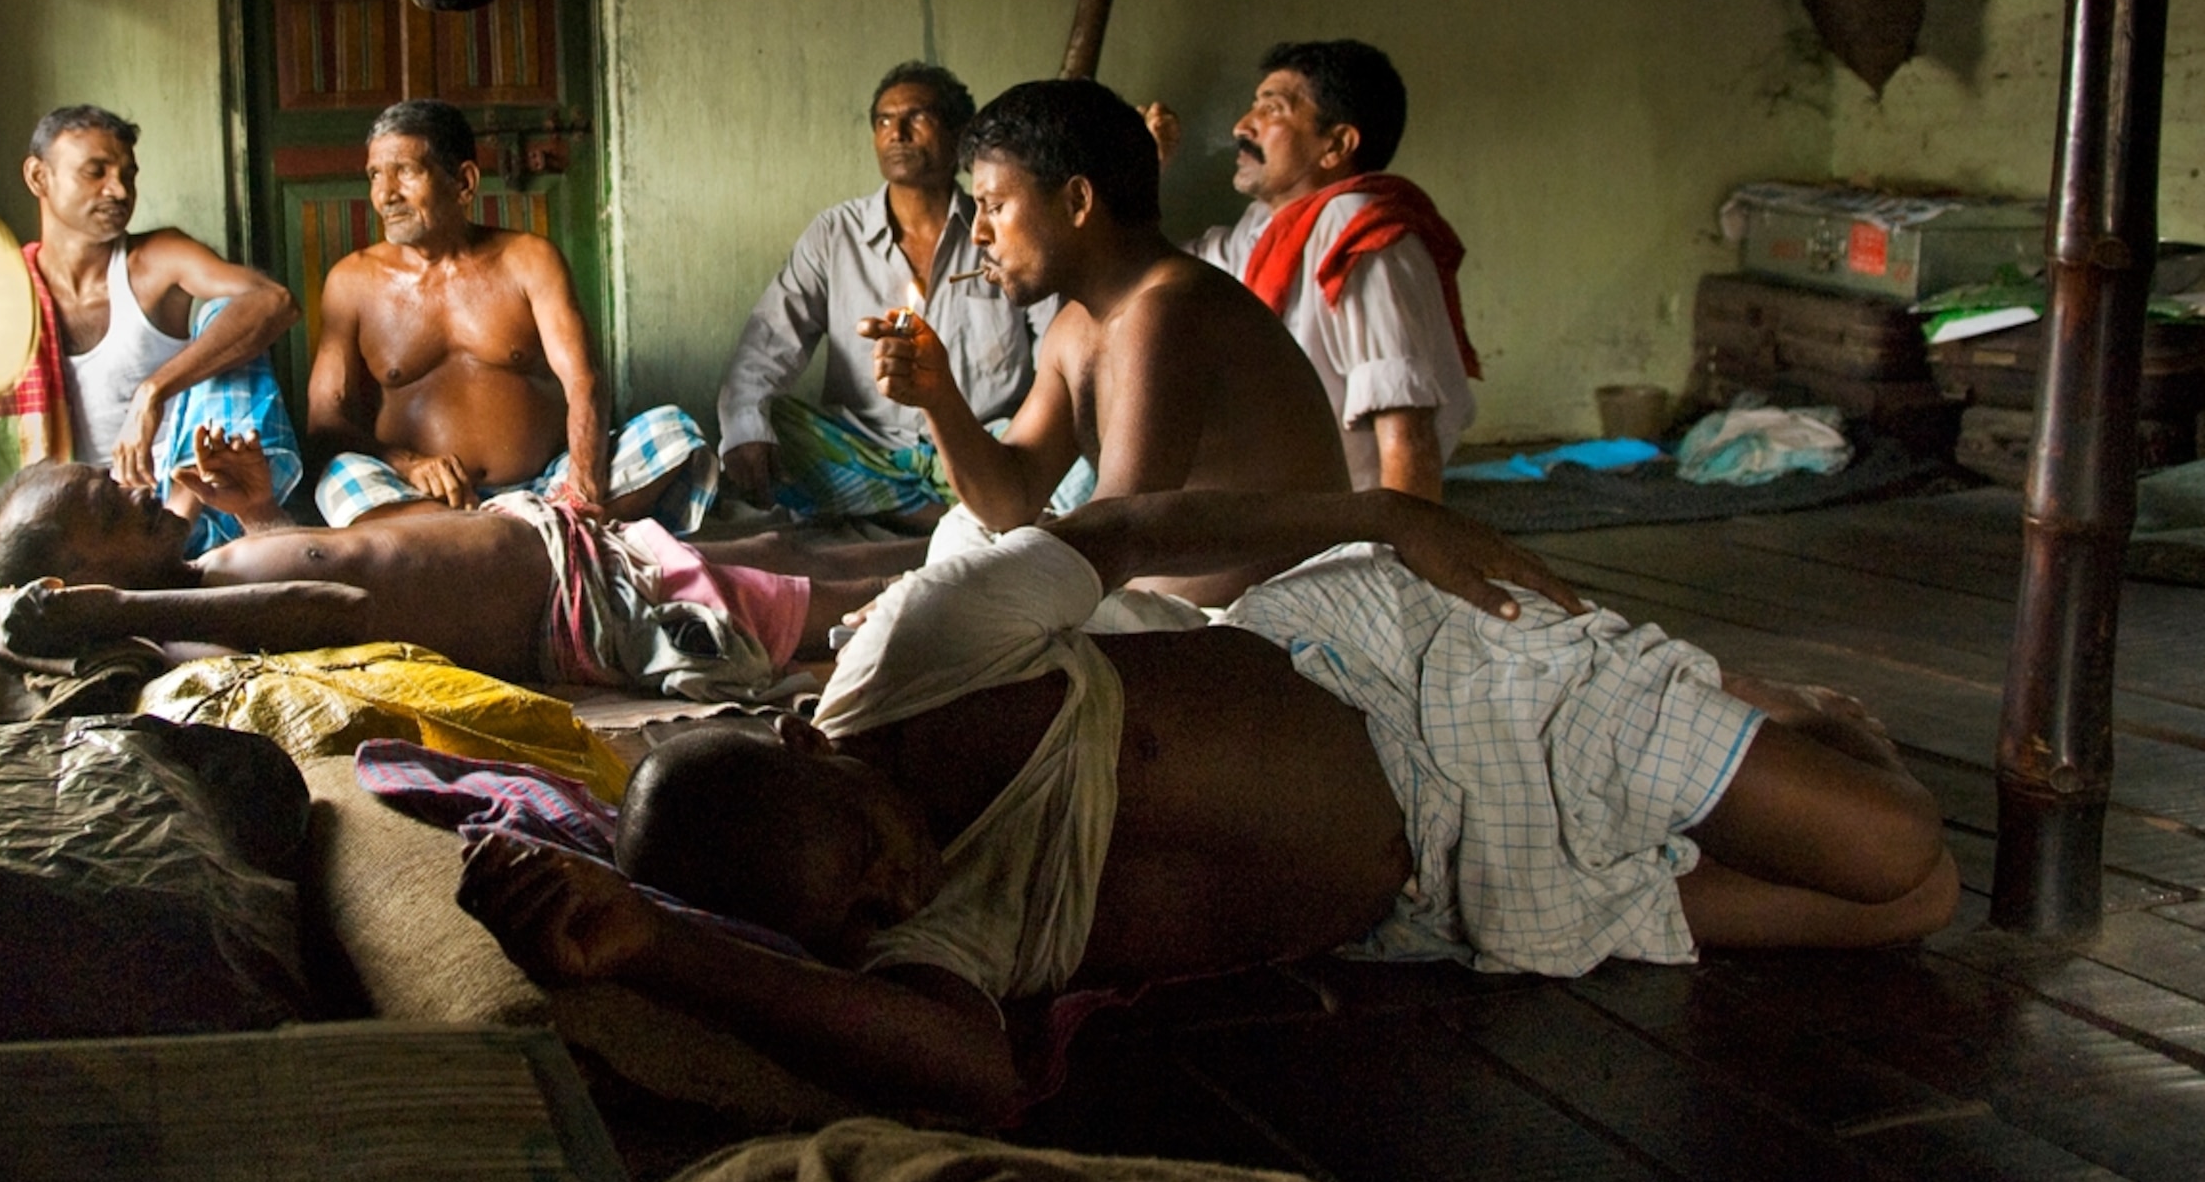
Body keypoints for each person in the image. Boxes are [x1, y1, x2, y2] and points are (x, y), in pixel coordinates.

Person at [457, 486, 1958, 1123]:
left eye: (870, 856)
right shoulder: (912, 926)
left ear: (814, 744)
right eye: (854, 921)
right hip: (1448, 899)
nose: (901, 894)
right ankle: (1756, 744)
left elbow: (1132, 527)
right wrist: (655, 947)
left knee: (1890, 840)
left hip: (1436, 686)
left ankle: (1810, 716)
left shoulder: (922, 657)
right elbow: (964, 1069)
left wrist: (1384, 508)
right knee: (1916, 910)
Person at [0, 437, 923, 698]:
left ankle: (982, 536)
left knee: (777, 547)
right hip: (584, 603)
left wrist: (253, 509)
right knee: (827, 594)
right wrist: (110, 612)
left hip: (571, 549)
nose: (129, 492)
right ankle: (1008, 567)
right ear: (83, 587)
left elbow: (339, 558)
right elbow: (327, 599)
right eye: (102, 511)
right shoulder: (198, 619)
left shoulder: (219, 565)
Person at [865, 78, 1346, 603]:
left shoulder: (1167, 313)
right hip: (1136, 603)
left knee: (963, 587)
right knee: (965, 531)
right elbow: (1012, 499)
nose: (979, 233)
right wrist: (938, 396)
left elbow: (1114, 534)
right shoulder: (1074, 326)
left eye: (995, 206)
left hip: (1238, 622)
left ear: (1076, 200)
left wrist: (913, 592)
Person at [0, 103, 303, 550]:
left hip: (190, 513)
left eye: (128, 175)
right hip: (77, 533)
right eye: (95, 172)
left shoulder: (156, 260)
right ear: (39, 176)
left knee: (229, 318)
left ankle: (171, 538)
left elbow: (275, 302)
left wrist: (152, 391)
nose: (119, 191)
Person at [308, 98, 716, 531]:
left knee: (675, 433)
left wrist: (583, 483)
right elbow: (325, 422)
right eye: (375, 175)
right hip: (418, 495)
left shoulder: (529, 260)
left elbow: (584, 380)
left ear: (464, 182)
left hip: (548, 485)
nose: (386, 195)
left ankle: (482, 542)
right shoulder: (351, 281)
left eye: (406, 171)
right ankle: (529, 538)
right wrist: (409, 465)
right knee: (338, 478)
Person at [714, 62, 1052, 528]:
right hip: (868, 451)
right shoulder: (835, 234)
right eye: (884, 121)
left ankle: (932, 514)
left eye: (917, 117)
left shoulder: (1002, 227)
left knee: (1073, 454)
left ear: (960, 133)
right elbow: (770, 338)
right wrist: (747, 427)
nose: (897, 133)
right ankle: (943, 519)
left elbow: (1058, 346)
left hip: (982, 446)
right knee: (767, 429)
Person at [1155, 43, 1477, 497]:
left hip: (1348, 531)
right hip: (1288, 521)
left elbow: (1406, 432)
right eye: (1253, 106)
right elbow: (1148, 278)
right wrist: (1144, 173)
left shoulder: (1360, 233)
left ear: (1337, 145)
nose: (1243, 126)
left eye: (1272, 108)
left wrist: (1397, 561)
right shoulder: (1262, 232)